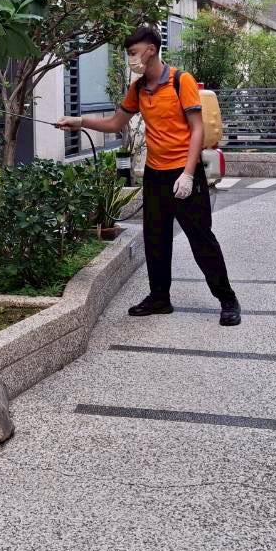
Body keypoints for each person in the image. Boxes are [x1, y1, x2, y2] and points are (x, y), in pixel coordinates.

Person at [57, 25, 241, 326]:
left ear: (151, 50)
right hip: (155, 175)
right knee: (156, 239)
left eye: (133, 52)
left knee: (201, 238)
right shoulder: (139, 88)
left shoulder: (181, 81)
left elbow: (197, 129)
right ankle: (159, 298)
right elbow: (116, 123)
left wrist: (188, 174)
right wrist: (78, 121)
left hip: (184, 173)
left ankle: (227, 299)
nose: (130, 58)